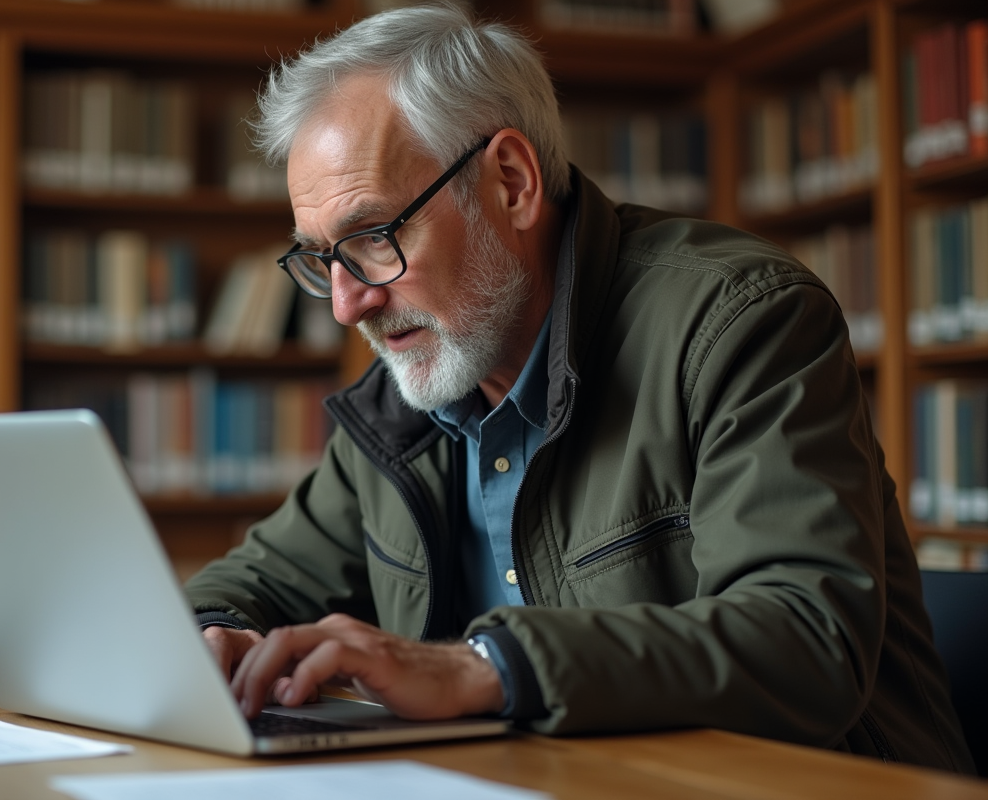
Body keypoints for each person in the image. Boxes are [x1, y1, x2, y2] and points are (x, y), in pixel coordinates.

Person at [185, 3, 975, 773]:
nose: (350, 301)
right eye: (322, 259)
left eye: (373, 238)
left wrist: (481, 668)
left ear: (512, 181)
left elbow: (805, 638)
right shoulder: (408, 402)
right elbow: (256, 581)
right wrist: (214, 634)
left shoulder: (741, 322)